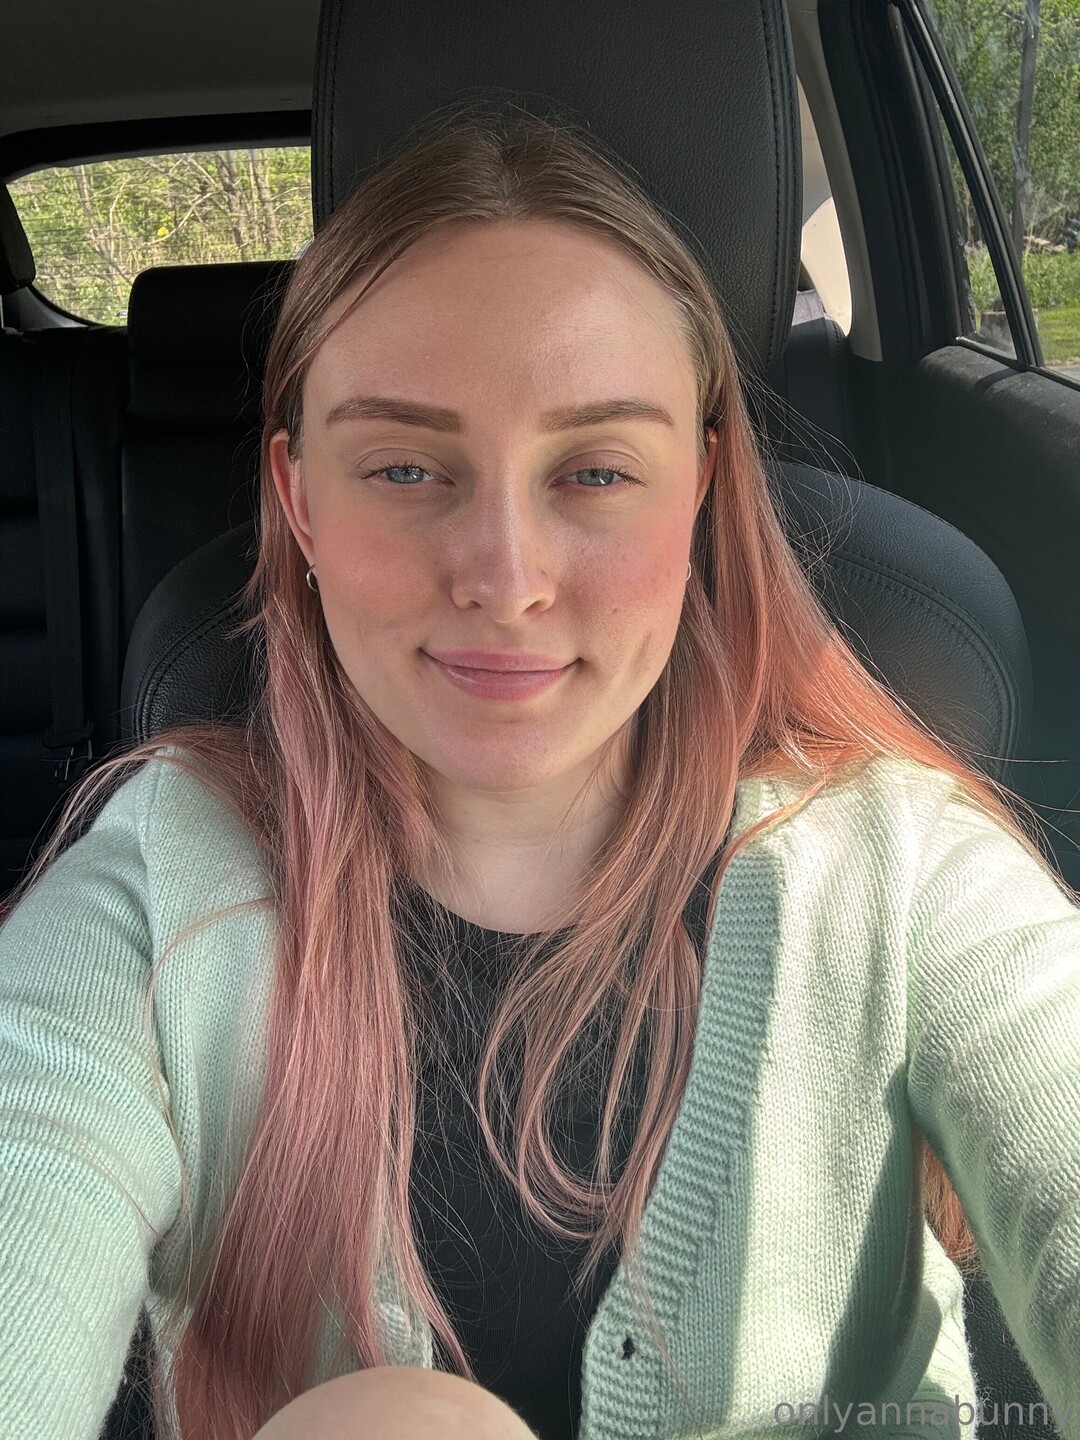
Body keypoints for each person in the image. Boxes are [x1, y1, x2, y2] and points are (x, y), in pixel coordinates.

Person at [1, 104, 1079, 1440]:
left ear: (699, 486)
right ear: (300, 501)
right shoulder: (158, 897)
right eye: (405, 466)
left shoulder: (903, 876)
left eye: (597, 471)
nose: (506, 580)